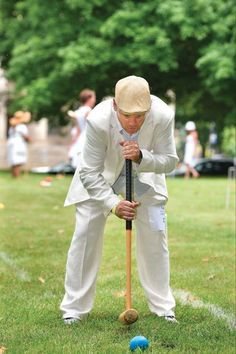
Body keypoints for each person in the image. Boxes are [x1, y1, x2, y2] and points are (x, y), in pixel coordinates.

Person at [60, 76, 179, 324]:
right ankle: (74, 309)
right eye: (127, 116)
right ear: (115, 106)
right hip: (100, 179)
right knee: (85, 233)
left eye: (140, 115)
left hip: (144, 176)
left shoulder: (162, 115)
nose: (134, 122)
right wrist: (113, 203)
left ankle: (163, 307)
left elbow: (169, 160)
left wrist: (141, 156)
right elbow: (89, 172)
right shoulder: (98, 119)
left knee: (157, 233)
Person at [67, 89, 96, 168]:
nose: (94, 100)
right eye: (93, 98)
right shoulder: (89, 111)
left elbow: (78, 130)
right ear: (89, 98)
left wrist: (72, 143)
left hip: (80, 137)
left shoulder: (78, 111)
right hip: (88, 135)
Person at [7, 111, 32, 177]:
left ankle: (14, 175)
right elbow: (25, 137)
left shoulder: (12, 127)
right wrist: (29, 140)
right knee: (18, 161)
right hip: (19, 145)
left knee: (14, 161)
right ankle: (16, 176)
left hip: (12, 144)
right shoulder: (22, 126)